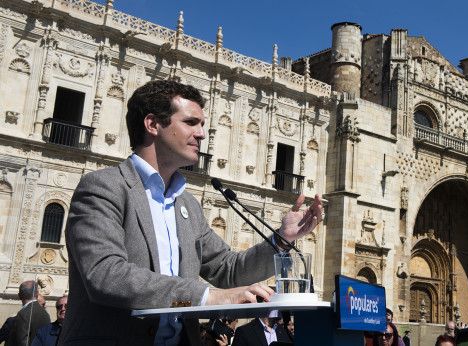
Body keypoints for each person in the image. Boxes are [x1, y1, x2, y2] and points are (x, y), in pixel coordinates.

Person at [58, 80, 323, 345]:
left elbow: (227, 269)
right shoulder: (104, 188)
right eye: (190, 123)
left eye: (202, 125)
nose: (202, 134)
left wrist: (280, 239)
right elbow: (106, 274)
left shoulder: (187, 205)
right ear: (152, 124)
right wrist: (208, 297)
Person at [6, 280, 51, 346]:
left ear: (19, 296)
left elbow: (23, 342)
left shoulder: (23, 313)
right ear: (37, 294)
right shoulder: (45, 313)